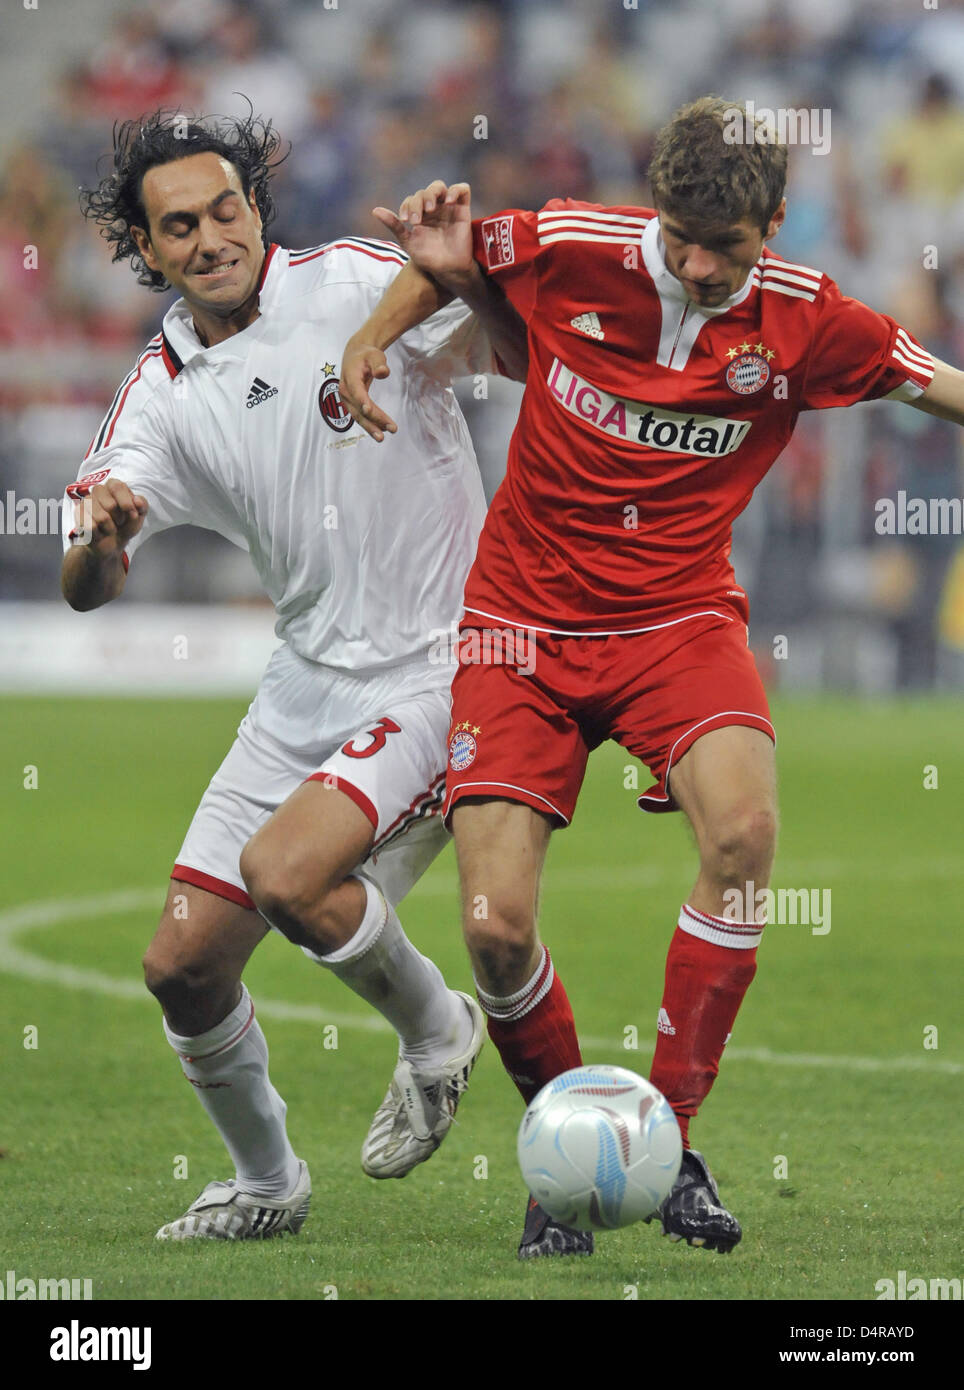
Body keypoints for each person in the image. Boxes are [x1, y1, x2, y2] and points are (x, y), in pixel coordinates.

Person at [340, 96, 964, 1259]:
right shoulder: (577, 242)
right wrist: (374, 331)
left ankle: (666, 1144)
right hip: (517, 624)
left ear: (772, 226)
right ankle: (563, 1138)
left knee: (744, 836)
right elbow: (451, 257)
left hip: (675, 621)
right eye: (676, 234)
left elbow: (937, 382)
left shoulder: (811, 321)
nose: (690, 262)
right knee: (493, 931)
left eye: (720, 247)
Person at [61, 107, 527, 1241]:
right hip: (300, 685)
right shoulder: (161, 388)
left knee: (288, 875)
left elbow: (511, 347)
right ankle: (266, 1183)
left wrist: (461, 275)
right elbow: (86, 581)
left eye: (228, 207)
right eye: (180, 225)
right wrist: (101, 537)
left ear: (256, 204)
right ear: (147, 248)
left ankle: (435, 1030)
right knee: (179, 964)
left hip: (437, 667)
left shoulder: (356, 280)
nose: (213, 235)